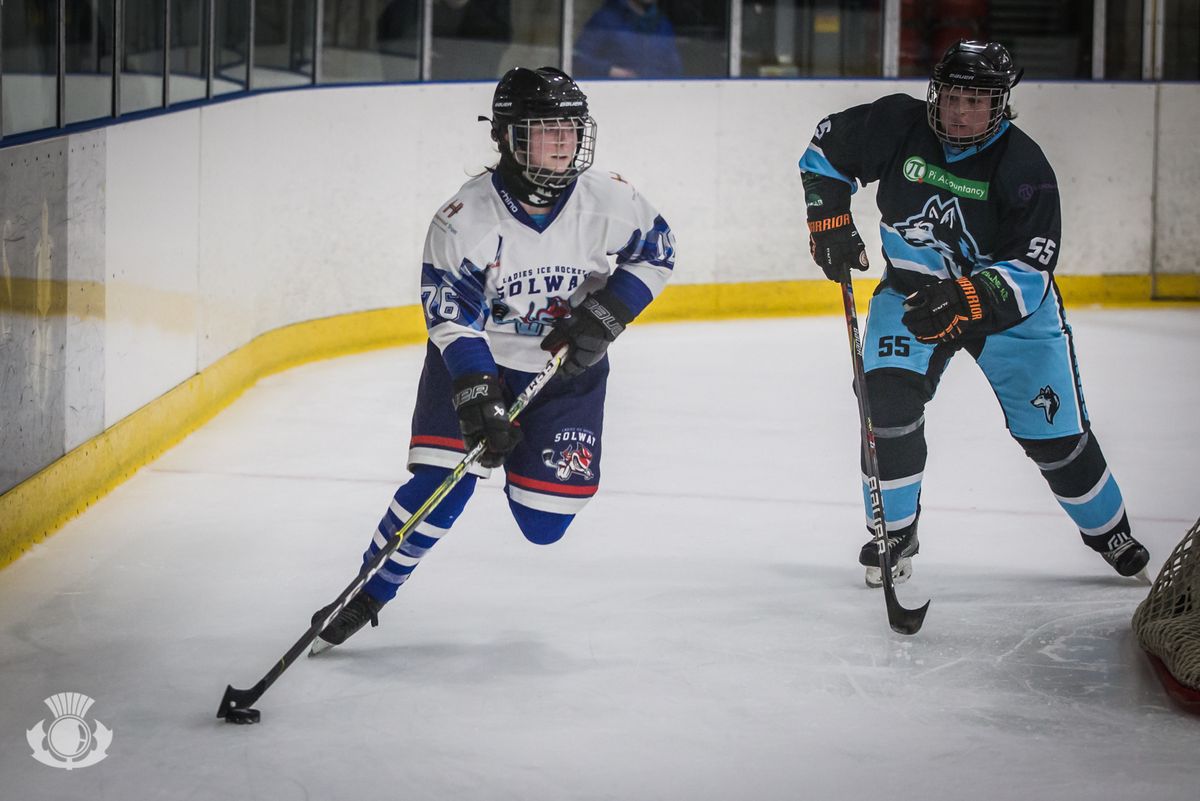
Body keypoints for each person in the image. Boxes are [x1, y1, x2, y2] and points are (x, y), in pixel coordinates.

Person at [313, 66, 676, 650]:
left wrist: (607, 315)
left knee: (544, 523)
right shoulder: (465, 219)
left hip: (566, 374)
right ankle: (370, 590)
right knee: (442, 485)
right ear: (507, 136)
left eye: (571, 128)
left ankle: (526, 467)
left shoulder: (610, 199)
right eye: (546, 129)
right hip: (480, 363)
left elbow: (658, 252)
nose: (563, 142)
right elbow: (450, 314)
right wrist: (478, 392)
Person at [797, 40, 1150, 588]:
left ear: (1000, 104)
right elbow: (825, 153)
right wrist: (830, 222)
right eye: (954, 97)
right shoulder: (897, 124)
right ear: (937, 93)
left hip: (1011, 316)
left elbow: (1031, 274)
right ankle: (894, 530)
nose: (961, 113)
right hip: (912, 294)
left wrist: (964, 299)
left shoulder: (1025, 167)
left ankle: (1111, 532)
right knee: (884, 405)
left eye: (977, 102)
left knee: (1054, 439)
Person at [574, 0, 683, 79]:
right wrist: (610, 71)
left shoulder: (663, 25)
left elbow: (674, 70)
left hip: (657, 98)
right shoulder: (605, 20)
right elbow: (577, 59)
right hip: (615, 96)